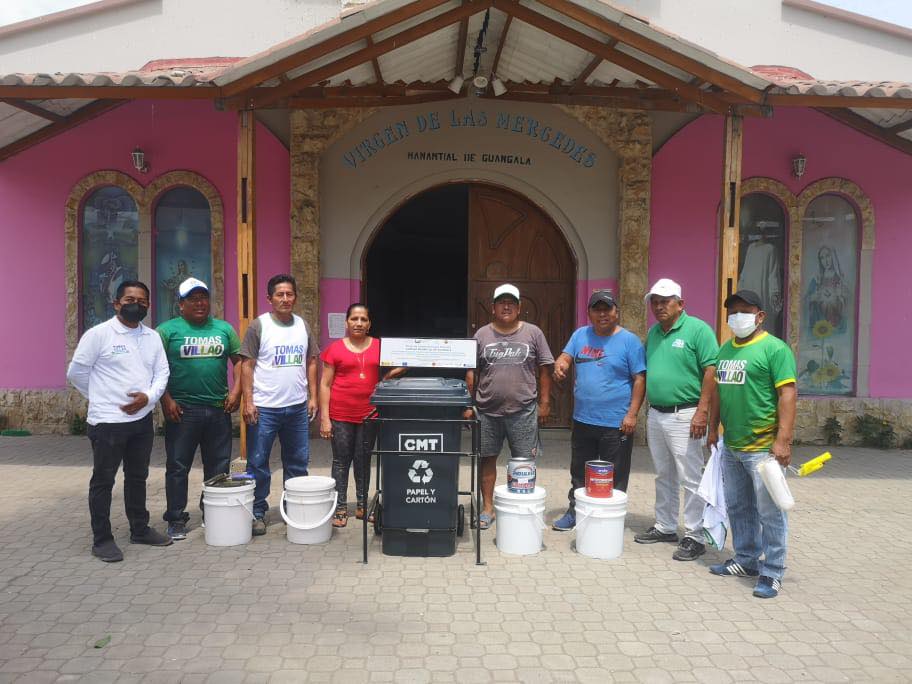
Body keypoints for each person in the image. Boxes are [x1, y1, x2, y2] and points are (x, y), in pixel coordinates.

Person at [67, 280, 172, 562]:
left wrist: (148, 398)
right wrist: (102, 397)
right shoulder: (98, 335)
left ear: (148, 306)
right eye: (129, 300)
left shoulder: (152, 337)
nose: (136, 305)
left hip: (141, 421)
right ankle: (102, 539)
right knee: (103, 480)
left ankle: (140, 529)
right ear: (116, 304)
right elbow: (76, 373)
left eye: (141, 301)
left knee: (137, 477)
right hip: (107, 422)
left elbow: (162, 372)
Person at [708, 289, 797, 599]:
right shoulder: (725, 350)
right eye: (732, 311)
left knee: (771, 512)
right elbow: (718, 393)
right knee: (738, 506)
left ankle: (772, 571)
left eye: (744, 311)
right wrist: (713, 429)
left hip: (763, 448)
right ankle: (746, 559)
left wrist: (783, 440)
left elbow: (787, 394)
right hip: (732, 444)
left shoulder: (775, 349)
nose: (737, 317)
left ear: (760, 316)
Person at [634, 278, 719, 561]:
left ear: (680, 304)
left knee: (690, 476)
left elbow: (711, 370)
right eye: (655, 302)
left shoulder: (698, 330)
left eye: (665, 301)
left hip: (686, 414)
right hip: (657, 413)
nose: (659, 307)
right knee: (664, 474)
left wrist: (702, 411)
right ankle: (665, 526)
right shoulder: (654, 333)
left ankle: (695, 535)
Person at [551, 290, 646, 531]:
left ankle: (608, 520)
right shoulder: (580, 335)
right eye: (597, 309)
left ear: (617, 312)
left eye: (607, 309)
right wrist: (561, 364)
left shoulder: (630, 341)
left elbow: (639, 379)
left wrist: (632, 414)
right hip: (583, 419)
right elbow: (565, 357)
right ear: (589, 313)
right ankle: (575, 512)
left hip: (616, 422)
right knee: (579, 472)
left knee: (615, 474)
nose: (602, 314)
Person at [157, 277, 242, 540]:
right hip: (182, 411)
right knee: (177, 466)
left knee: (218, 466)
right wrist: (166, 400)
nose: (200, 303)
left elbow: (239, 362)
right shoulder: (166, 331)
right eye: (193, 299)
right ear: (181, 304)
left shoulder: (224, 329)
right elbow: (154, 367)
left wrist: (236, 391)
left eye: (203, 298)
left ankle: (212, 512)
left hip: (218, 409)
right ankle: (176, 518)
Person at [464, 284, 554, 530]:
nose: (506, 307)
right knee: (487, 459)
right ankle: (488, 509)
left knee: (523, 463)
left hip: (523, 411)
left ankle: (521, 509)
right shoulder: (481, 335)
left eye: (511, 303)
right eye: (501, 303)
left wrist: (545, 403)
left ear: (519, 307)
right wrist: (468, 404)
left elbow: (545, 368)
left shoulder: (533, 333)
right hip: (487, 411)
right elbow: (471, 372)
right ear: (493, 308)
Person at [240, 274, 319, 535]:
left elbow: (311, 361)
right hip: (265, 408)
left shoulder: (302, 325)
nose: (285, 299)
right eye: (279, 294)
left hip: (296, 408)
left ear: (295, 297)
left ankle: (294, 508)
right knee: (258, 462)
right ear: (269, 298)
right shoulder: (258, 326)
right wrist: (248, 401)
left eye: (289, 294)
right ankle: (257, 512)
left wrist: (313, 397)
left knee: (297, 462)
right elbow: (247, 364)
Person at [318, 303, 404, 527]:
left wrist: (385, 379)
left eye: (363, 319)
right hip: (340, 414)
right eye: (354, 319)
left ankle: (362, 505)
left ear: (369, 324)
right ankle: (340, 508)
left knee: (363, 460)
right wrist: (325, 418)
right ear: (347, 322)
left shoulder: (379, 346)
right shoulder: (335, 349)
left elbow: (402, 363)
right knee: (341, 461)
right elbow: (325, 384)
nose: (358, 323)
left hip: (369, 414)